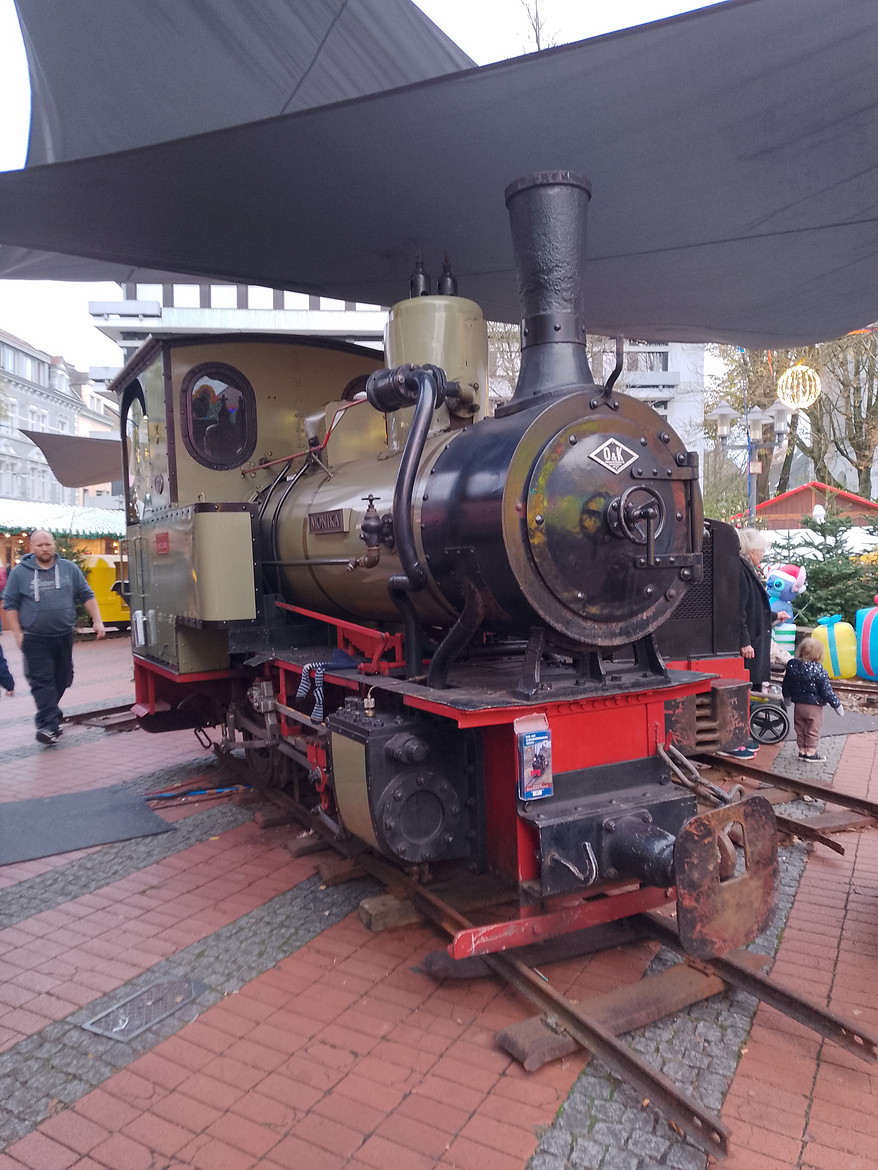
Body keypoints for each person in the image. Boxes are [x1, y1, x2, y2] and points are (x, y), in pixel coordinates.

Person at [1, 531, 105, 744]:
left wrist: (98, 620)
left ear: (54, 545)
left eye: (48, 544)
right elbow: (10, 605)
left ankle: (51, 715)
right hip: (34, 638)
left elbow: (87, 594)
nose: (44, 548)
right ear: (32, 547)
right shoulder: (20, 573)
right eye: (39, 545)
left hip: (63, 636)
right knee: (42, 681)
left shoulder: (69, 569)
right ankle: (48, 726)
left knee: (62, 679)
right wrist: (18, 634)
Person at [782, 636, 842, 761]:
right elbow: (826, 691)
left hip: (798, 705)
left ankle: (802, 750)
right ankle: (810, 752)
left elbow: (786, 684)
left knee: (800, 727)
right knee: (813, 728)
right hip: (814, 706)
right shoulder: (819, 671)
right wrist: (836, 705)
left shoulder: (793, 667)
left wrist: (787, 697)